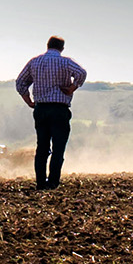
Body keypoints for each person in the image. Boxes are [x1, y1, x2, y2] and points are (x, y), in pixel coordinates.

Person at [15, 36, 87, 190]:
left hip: (41, 109)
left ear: (47, 46)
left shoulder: (34, 62)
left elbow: (20, 82)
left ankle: (40, 182)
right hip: (60, 109)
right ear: (62, 48)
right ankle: (53, 182)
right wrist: (72, 88)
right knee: (58, 147)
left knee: (42, 147)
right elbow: (81, 73)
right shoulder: (66, 62)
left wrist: (28, 101)